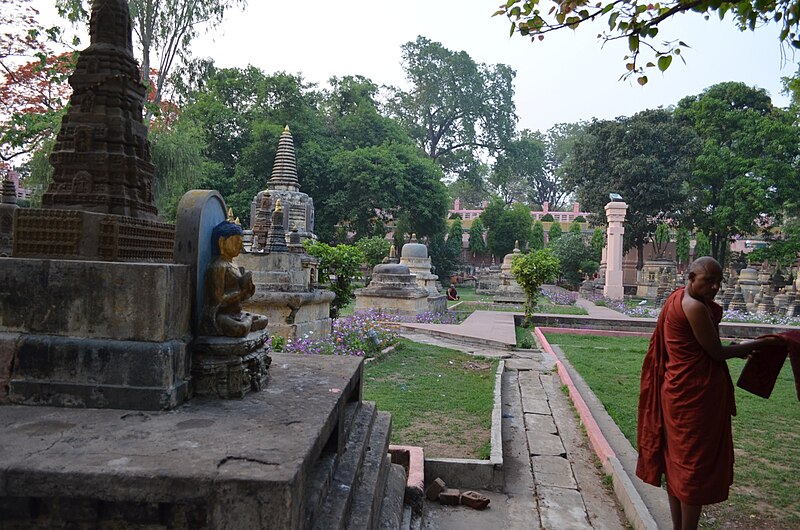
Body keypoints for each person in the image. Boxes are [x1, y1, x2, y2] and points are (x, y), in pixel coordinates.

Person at [636, 256, 783, 530]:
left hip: (677, 391)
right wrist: (755, 345)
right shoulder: (692, 307)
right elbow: (715, 352)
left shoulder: (678, 298)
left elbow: (703, 345)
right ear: (691, 277)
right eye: (708, 281)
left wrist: (736, 346)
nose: (715, 287)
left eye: (718, 282)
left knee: (678, 464)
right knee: (692, 468)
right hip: (694, 396)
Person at [200, 220, 268, 338]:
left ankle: (248, 320)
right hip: (221, 315)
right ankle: (248, 320)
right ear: (222, 242)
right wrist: (242, 293)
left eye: (241, 242)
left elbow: (242, 296)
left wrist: (249, 290)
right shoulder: (218, 266)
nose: (240, 245)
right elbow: (219, 300)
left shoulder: (235, 265)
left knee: (264, 319)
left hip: (236, 313)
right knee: (239, 328)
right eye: (236, 241)